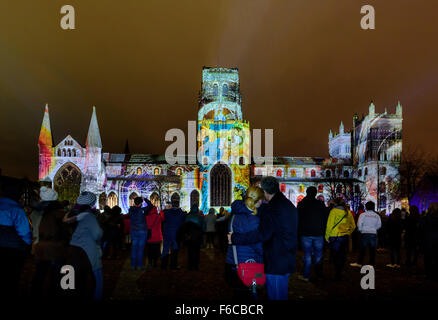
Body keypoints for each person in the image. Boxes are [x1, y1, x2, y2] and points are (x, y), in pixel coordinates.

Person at [230, 176, 298, 300]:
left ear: (265, 192)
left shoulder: (273, 209)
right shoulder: (284, 203)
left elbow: (262, 234)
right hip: (286, 257)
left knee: (276, 296)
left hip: (276, 261)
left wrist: (236, 238)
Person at [225, 186, 264, 300]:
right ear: (260, 200)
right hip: (249, 264)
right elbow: (258, 246)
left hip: (233, 261)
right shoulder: (253, 219)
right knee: (250, 296)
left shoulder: (235, 214)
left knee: (239, 295)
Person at [31, 187, 70, 297]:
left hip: (39, 246)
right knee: (57, 275)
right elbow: (66, 231)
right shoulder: (59, 213)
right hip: (56, 247)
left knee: (39, 274)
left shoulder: (35, 212)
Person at [66, 191, 103, 300]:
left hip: (72, 250)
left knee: (72, 279)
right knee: (97, 279)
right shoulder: (88, 216)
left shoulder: (72, 214)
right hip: (88, 250)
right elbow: (97, 234)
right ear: (92, 203)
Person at [0, 181, 32, 299]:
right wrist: (28, 245)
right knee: (11, 277)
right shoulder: (17, 209)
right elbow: (24, 232)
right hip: (12, 250)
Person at [297, 186, 328, 281]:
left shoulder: (302, 204)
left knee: (307, 254)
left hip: (306, 233)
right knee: (318, 254)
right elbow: (325, 218)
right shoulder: (320, 204)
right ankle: (318, 274)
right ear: (315, 193)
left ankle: (306, 275)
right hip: (318, 232)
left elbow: (298, 218)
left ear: (307, 192)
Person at [325, 197, 356, 281]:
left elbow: (329, 225)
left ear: (335, 203)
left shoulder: (333, 211)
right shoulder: (348, 212)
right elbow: (353, 226)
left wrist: (327, 236)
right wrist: (348, 232)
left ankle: (337, 272)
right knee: (342, 255)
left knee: (335, 255)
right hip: (344, 236)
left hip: (335, 236)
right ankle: (340, 270)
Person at [350, 201, 381, 267]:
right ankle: (372, 263)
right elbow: (379, 225)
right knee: (372, 249)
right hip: (373, 233)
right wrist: (374, 229)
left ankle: (360, 262)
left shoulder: (363, 215)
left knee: (362, 249)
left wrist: (361, 230)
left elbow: (359, 224)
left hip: (364, 233)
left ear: (366, 207)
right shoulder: (377, 215)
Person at [161, 197, 186, 270]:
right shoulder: (181, 213)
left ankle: (164, 265)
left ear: (172, 205)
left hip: (167, 233)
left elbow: (164, 218)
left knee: (165, 249)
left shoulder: (167, 213)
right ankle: (173, 265)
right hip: (176, 234)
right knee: (175, 250)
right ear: (178, 205)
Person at [182, 205, 205, 270]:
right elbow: (203, 228)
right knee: (197, 252)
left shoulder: (187, 217)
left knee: (190, 251)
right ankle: (196, 266)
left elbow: (184, 227)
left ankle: (190, 265)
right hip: (198, 237)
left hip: (190, 237)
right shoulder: (200, 217)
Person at [128, 197, 148, 270]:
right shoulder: (142, 210)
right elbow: (151, 206)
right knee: (140, 249)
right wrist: (145, 199)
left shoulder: (130, 210)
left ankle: (133, 265)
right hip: (142, 231)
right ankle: (139, 266)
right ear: (141, 203)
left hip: (134, 231)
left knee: (134, 248)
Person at [420, 203, 438, 280]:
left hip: (428, 240)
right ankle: (434, 273)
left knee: (428, 258)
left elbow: (421, 229)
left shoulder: (426, 218)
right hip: (434, 241)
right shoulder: (427, 218)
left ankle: (428, 273)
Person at [146, 199, 164, 268]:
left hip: (149, 237)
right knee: (156, 251)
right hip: (157, 237)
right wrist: (161, 211)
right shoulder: (158, 217)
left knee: (150, 250)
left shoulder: (146, 217)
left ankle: (150, 262)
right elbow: (163, 218)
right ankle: (155, 263)